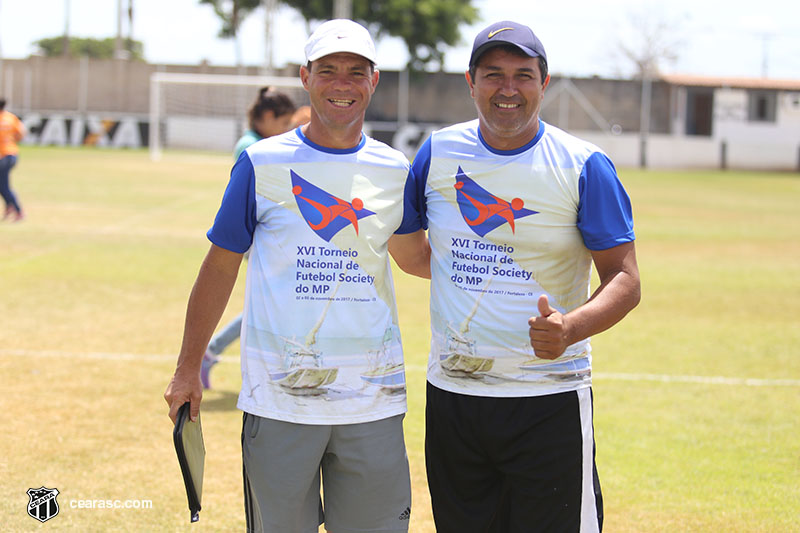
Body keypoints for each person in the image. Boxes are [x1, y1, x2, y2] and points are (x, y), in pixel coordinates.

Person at [390, 20, 641, 532]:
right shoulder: (437, 154)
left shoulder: (583, 165)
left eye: (523, 75)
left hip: (547, 400)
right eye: (493, 74)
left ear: (544, 83)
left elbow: (625, 280)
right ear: (470, 81)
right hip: (455, 397)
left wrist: (570, 328)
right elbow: (413, 255)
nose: (508, 89)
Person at [165, 19, 413, 533]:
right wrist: (189, 367)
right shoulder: (260, 163)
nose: (341, 83)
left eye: (355, 71)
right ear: (305, 76)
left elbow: (417, 258)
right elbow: (219, 266)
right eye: (328, 70)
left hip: (372, 401)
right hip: (279, 403)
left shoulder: (396, 170)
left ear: (374, 80)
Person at [201, 88, 301, 389]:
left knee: (280, 300)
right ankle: (213, 350)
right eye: (284, 124)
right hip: (258, 237)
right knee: (272, 301)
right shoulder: (250, 146)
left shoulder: (259, 143)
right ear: (268, 117)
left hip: (265, 236)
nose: (287, 131)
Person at [0, 97, 27, 222]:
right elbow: (22, 133)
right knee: (3, 184)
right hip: (12, 154)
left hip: (2, 156)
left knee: (4, 186)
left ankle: (18, 210)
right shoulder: (11, 117)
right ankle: (9, 206)